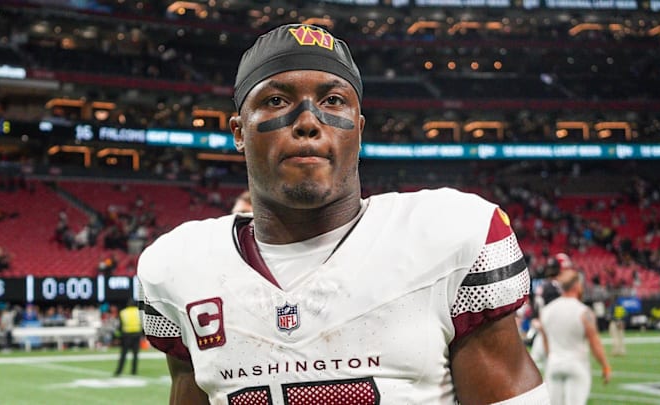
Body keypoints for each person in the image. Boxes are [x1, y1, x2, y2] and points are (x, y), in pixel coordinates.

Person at [138, 23, 548, 404]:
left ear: (358, 127)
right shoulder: (177, 266)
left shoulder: (451, 236)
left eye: (332, 100)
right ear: (239, 132)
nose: (307, 122)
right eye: (276, 100)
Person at [540, 270, 612, 405]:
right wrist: (605, 366)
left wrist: (551, 360)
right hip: (577, 365)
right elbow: (594, 343)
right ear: (577, 286)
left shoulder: (546, 311)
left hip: (554, 365)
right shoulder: (584, 312)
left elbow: (546, 344)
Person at [113, 299, 143, 376]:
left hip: (126, 335)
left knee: (123, 354)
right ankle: (134, 371)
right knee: (135, 354)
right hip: (137, 334)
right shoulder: (138, 311)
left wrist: (118, 336)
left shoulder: (123, 312)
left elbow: (120, 325)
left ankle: (119, 371)